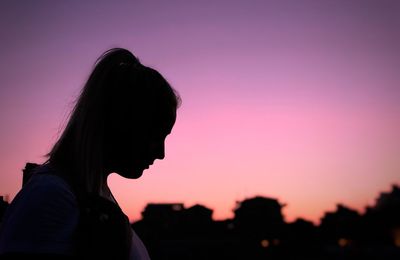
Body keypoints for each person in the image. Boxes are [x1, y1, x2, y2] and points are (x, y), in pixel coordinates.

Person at [0, 48, 181, 259]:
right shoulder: (51, 196)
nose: (161, 153)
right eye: (155, 136)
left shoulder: (86, 197)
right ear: (123, 123)